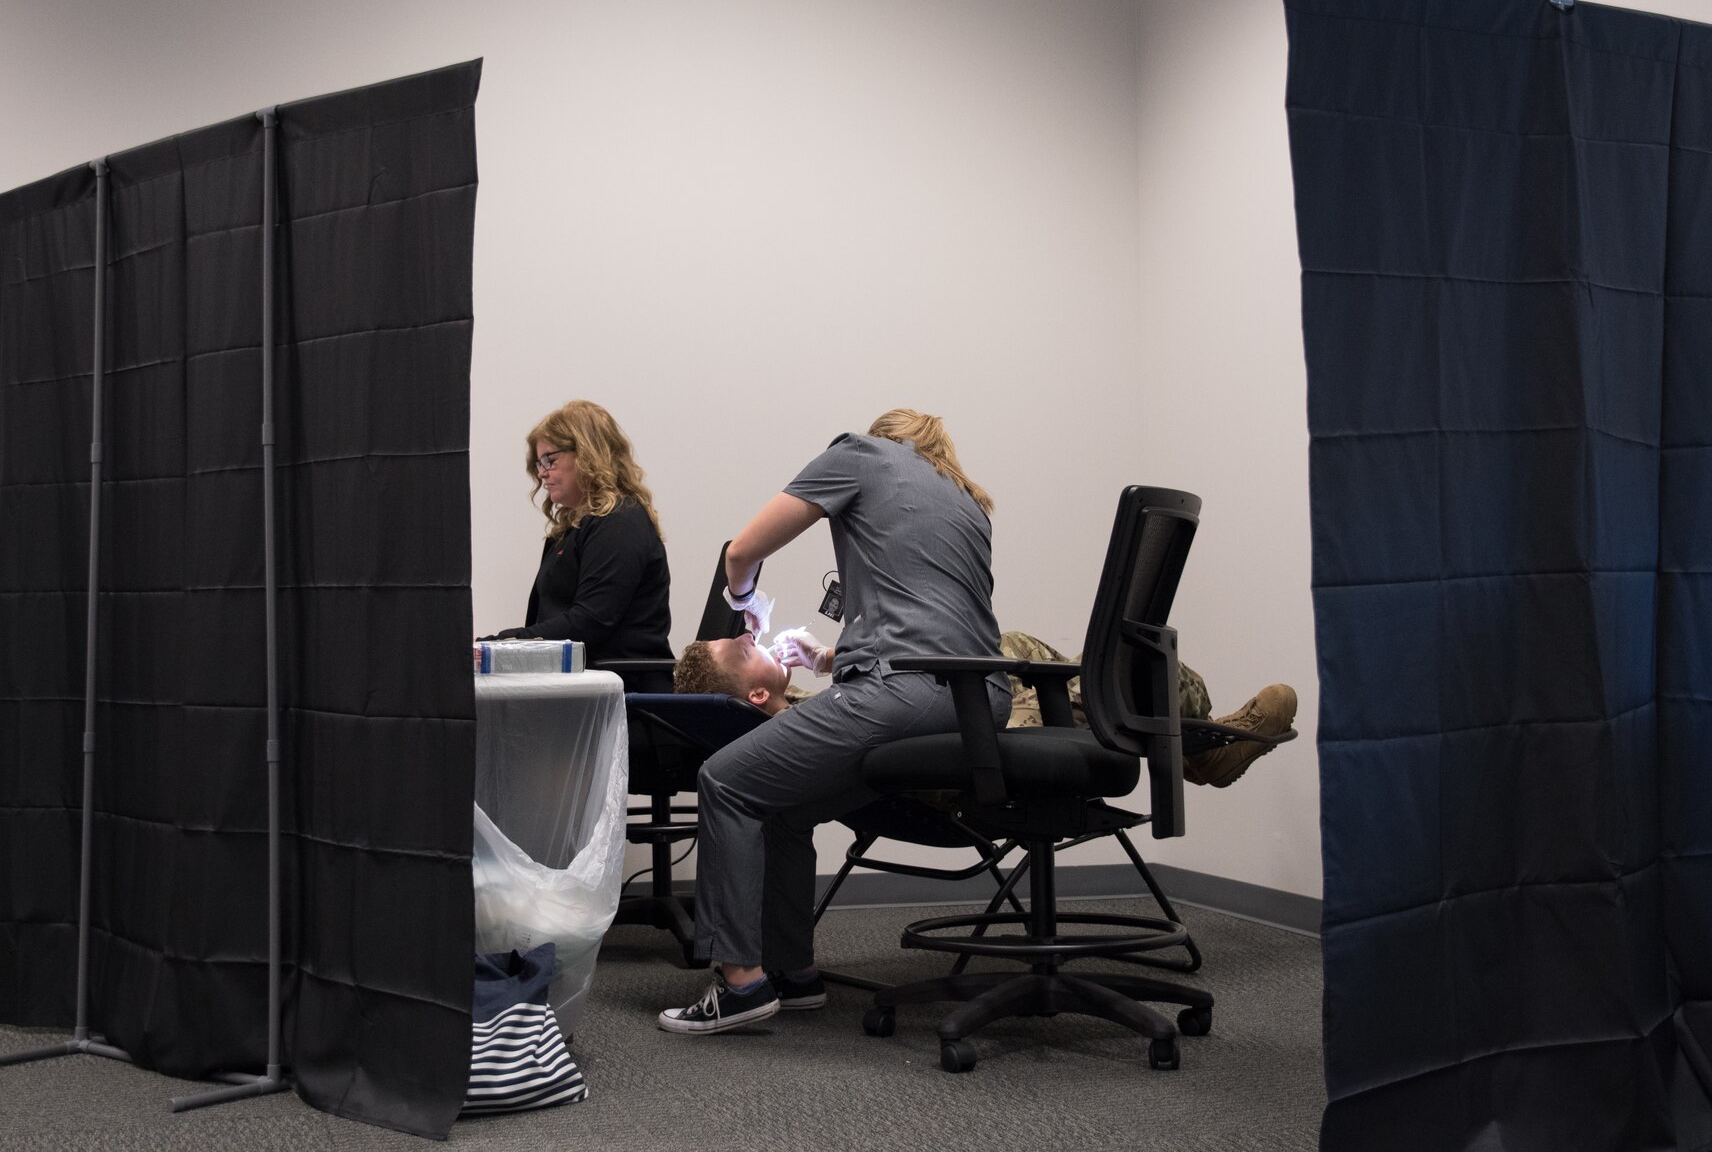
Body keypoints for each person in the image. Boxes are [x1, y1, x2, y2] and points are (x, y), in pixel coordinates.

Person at [656, 409, 1010, 1036]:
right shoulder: (964, 500)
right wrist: (831, 656)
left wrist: (742, 602)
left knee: (726, 781)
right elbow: (930, 621)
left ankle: (737, 983)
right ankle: (792, 974)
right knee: (789, 810)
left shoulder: (861, 454)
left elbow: (743, 550)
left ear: (885, 436)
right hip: (983, 703)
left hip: (903, 696)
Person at [675, 628, 1297, 789]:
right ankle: (1206, 748)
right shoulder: (797, 731)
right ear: (757, 696)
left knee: (1092, 667)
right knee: (1109, 681)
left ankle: (1202, 747)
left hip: (955, 712)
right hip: (956, 752)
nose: (754, 637)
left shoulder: (803, 702)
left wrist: (832, 659)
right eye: (742, 647)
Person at [484, 400, 672, 674]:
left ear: (588, 454)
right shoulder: (573, 530)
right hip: (582, 685)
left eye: (550, 459)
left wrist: (498, 645)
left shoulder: (620, 522)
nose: (542, 473)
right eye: (538, 463)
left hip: (619, 694)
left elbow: (589, 622)